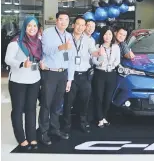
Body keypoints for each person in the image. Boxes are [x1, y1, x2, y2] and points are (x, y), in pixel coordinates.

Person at [5, 16, 42, 151]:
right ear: (24, 27)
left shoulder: (38, 42)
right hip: (18, 81)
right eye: (29, 26)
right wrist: (21, 63)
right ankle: (21, 138)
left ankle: (32, 136)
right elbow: (8, 60)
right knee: (18, 110)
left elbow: (39, 58)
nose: (32, 29)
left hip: (34, 80)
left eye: (35, 26)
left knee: (31, 109)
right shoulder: (15, 43)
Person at [39, 11, 75, 145]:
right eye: (61, 19)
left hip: (63, 74)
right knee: (46, 104)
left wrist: (69, 79)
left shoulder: (68, 35)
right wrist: (62, 47)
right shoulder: (48, 33)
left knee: (57, 105)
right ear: (56, 20)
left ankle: (55, 129)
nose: (63, 22)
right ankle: (43, 132)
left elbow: (70, 58)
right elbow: (46, 51)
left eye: (66, 20)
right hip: (50, 73)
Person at [62, 16, 103, 135]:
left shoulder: (89, 40)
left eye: (82, 25)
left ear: (85, 27)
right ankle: (66, 125)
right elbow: (64, 54)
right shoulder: (67, 37)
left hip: (84, 76)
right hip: (70, 75)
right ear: (73, 25)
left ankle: (83, 123)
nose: (80, 27)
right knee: (68, 102)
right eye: (78, 24)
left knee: (84, 101)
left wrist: (99, 53)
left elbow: (93, 52)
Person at [92, 26, 120, 128]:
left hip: (111, 73)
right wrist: (101, 60)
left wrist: (111, 65)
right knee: (98, 96)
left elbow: (117, 61)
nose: (107, 36)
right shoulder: (97, 46)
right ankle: (99, 118)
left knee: (108, 97)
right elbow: (94, 61)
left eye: (109, 34)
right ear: (102, 35)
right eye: (105, 34)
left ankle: (104, 116)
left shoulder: (116, 47)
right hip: (100, 73)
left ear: (112, 35)